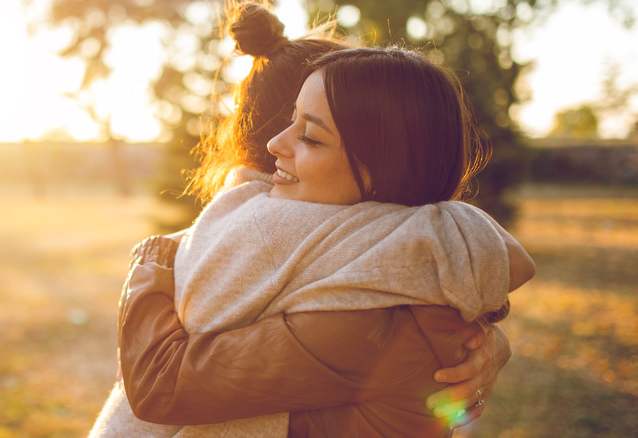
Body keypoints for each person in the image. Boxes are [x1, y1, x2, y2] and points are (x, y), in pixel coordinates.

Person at [89, 2, 529, 437]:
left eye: (311, 136)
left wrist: (155, 259)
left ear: (386, 163)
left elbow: (160, 384)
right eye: (290, 120)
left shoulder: (377, 313)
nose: (280, 144)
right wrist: (486, 330)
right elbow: (476, 260)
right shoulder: (404, 258)